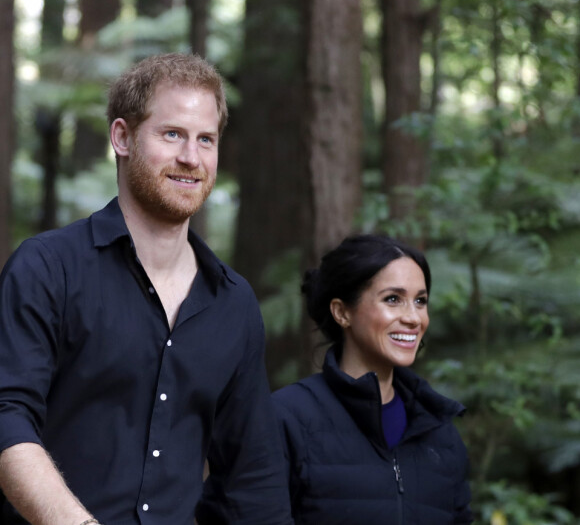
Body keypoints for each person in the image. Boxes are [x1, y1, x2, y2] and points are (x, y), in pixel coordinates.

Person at [0, 53, 292, 525]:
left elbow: (252, 480)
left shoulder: (233, 303)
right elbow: (6, 416)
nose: (190, 158)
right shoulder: (47, 268)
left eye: (206, 140)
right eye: (172, 133)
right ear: (122, 137)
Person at [272, 234, 473, 524]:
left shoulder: (441, 434)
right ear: (342, 312)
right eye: (393, 299)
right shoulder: (286, 419)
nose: (414, 318)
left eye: (420, 301)